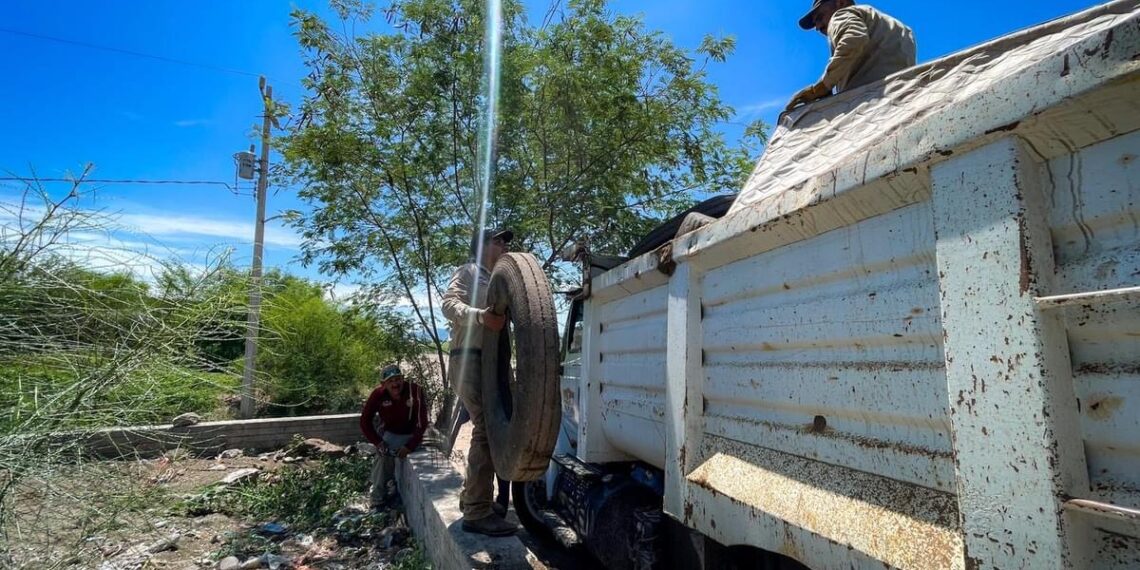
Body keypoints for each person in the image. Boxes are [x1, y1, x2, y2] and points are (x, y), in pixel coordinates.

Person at [441, 228, 518, 537]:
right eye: (497, 240)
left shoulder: (501, 280)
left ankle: (474, 498)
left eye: (505, 241)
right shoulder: (469, 272)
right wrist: (479, 316)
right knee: (486, 429)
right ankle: (477, 512)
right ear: (481, 246)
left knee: (496, 428)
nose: (503, 245)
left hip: (493, 363)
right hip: (469, 359)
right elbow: (449, 305)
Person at [785, 0, 916, 112]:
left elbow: (854, 39)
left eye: (820, 17)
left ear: (840, 2)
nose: (818, 27)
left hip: (869, 104)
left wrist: (821, 88)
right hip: (904, 100)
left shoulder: (840, 15)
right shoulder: (899, 27)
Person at [360, 364, 429, 510]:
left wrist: (409, 446)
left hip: (413, 433)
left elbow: (422, 423)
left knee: (388, 454)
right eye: (391, 381)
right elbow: (364, 421)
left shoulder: (414, 391)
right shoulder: (377, 395)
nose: (395, 384)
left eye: (398, 379)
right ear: (383, 384)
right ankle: (378, 498)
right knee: (383, 454)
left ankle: (385, 487)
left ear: (403, 379)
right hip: (391, 433)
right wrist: (377, 442)